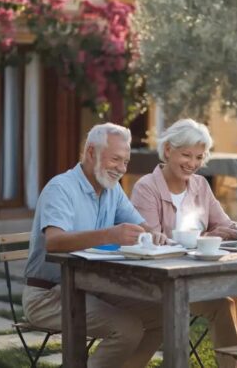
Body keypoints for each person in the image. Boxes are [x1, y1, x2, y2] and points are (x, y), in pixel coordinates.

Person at [23, 123, 168, 368]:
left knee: (163, 316)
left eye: (125, 162)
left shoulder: (112, 190)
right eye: (115, 160)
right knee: (128, 329)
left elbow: (143, 227)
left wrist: (155, 234)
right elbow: (54, 241)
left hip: (91, 288)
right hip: (49, 294)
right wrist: (110, 235)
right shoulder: (61, 188)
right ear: (91, 152)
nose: (121, 169)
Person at [130, 118, 237, 368]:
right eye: (186, 155)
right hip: (157, 283)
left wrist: (231, 230)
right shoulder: (146, 188)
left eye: (199, 157)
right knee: (224, 304)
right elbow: (154, 242)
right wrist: (207, 238)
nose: (193, 164)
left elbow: (224, 224)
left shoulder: (200, 185)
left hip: (193, 276)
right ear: (169, 150)